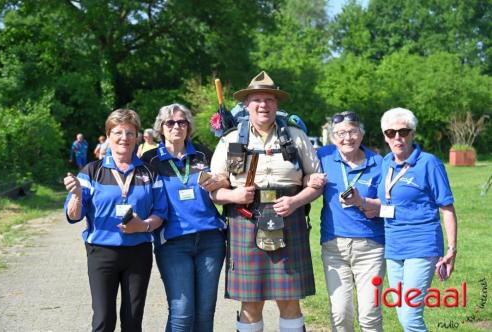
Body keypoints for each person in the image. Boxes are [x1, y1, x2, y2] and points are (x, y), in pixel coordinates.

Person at [210, 71, 324, 332]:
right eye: (257, 100)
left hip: (289, 217)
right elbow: (214, 190)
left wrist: (296, 201)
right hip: (245, 219)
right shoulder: (231, 139)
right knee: (250, 302)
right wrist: (232, 195)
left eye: (269, 100)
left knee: (289, 299)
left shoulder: (296, 137)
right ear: (247, 105)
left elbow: (316, 180)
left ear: (277, 104)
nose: (263, 105)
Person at [63, 108, 168, 332]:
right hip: (101, 252)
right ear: (108, 136)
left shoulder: (149, 172)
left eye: (130, 133)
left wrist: (144, 225)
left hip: (138, 252)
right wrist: (76, 196)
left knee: (132, 320)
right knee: (103, 319)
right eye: (118, 132)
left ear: (137, 137)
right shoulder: (91, 171)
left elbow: (160, 212)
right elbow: (74, 216)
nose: (124, 138)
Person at [141, 103, 229, 332]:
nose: (176, 126)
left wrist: (221, 180)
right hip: (173, 242)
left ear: (189, 127)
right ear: (161, 128)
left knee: (205, 312)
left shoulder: (203, 154)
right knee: (182, 312)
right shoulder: (150, 160)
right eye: (170, 123)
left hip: (211, 240)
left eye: (182, 122)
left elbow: (227, 177)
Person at [375, 107, 457, 331]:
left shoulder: (429, 163)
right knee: (402, 311)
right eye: (391, 133)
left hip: (422, 244)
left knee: (411, 315)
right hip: (393, 247)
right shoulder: (385, 164)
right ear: (385, 136)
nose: (397, 137)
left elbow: (447, 207)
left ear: (413, 133)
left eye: (403, 131)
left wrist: (451, 249)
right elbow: (384, 202)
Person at [316, 112, 385, 332]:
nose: (347, 137)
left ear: (361, 135)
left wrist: (361, 201)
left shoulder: (378, 163)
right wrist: (310, 178)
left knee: (369, 315)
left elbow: (389, 207)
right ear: (332, 137)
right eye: (341, 133)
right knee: (340, 315)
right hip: (334, 248)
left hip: (371, 248)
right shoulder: (323, 157)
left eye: (353, 131)